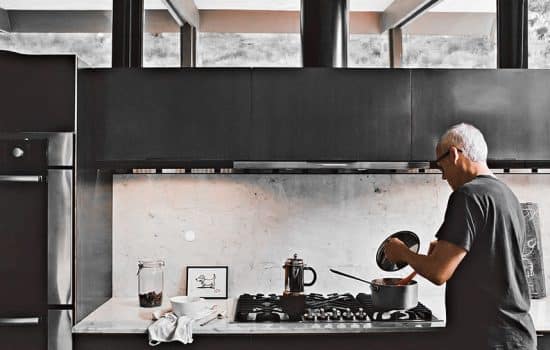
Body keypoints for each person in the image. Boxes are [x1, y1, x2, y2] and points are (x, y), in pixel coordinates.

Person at [384, 123, 536, 350]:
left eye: (440, 166)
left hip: (487, 338)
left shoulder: (467, 195)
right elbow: (494, 257)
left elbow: (438, 273)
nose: (443, 175)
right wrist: (448, 250)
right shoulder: (507, 195)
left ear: (454, 154)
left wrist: (402, 252)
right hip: (517, 335)